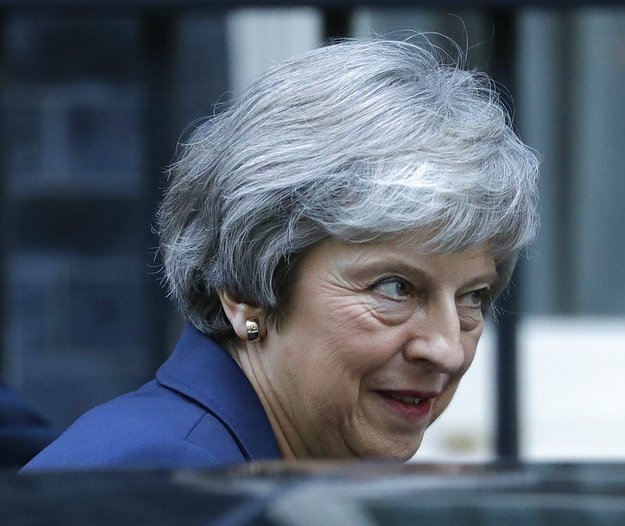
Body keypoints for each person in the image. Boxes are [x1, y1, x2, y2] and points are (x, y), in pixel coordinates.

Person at [22, 37, 538, 471]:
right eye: (394, 288)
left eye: (473, 296)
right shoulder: (163, 478)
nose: (447, 351)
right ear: (247, 295)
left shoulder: (269, 472)